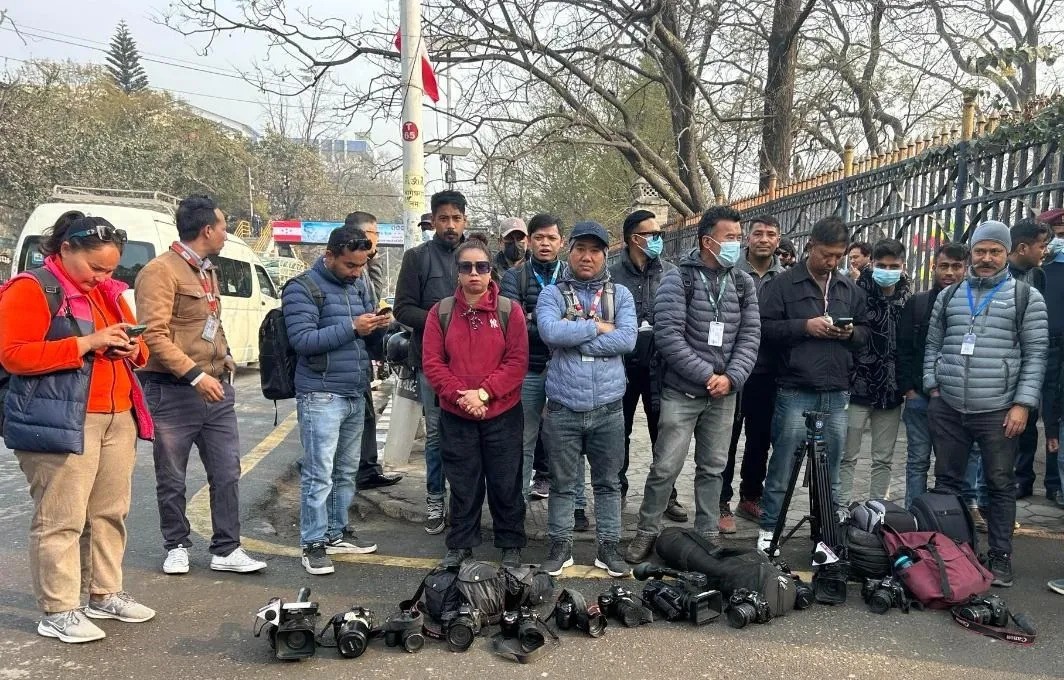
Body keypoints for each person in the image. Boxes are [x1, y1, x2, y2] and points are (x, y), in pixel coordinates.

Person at [0, 213, 155, 643]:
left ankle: (104, 593)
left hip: (117, 414)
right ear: (66, 249)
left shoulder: (107, 293)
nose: (102, 277)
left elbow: (138, 348)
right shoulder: (32, 288)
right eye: (96, 267)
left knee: (109, 512)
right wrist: (88, 343)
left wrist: (130, 345)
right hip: (61, 419)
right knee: (61, 518)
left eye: (110, 269)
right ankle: (58, 609)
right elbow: (13, 354)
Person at [136, 195, 267, 575]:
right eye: (224, 226)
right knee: (172, 475)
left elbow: (209, 321)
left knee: (227, 472)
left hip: (215, 389)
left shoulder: (206, 270)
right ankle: (176, 545)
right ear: (207, 230)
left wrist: (225, 356)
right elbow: (153, 335)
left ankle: (227, 549)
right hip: (172, 389)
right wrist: (195, 375)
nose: (227, 233)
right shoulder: (160, 271)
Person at [626, 207, 761, 562]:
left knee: (713, 468)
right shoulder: (678, 280)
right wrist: (706, 375)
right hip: (682, 392)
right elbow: (669, 337)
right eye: (730, 237)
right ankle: (647, 530)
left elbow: (750, 336)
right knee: (665, 467)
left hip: (724, 394)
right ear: (707, 241)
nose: (737, 244)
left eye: (738, 237)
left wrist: (731, 378)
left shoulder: (743, 283)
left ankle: (707, 533)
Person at [924, 220, 1048, 587]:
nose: (987, 258)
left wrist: (1022, 404)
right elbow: (933, 343)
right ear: (971, 254)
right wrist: (933, 387)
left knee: (999, 483)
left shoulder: (1026, 297)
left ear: (1007, 253)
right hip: (949, 406)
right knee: (947, 482)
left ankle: (1000, 556)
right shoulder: (950, 296)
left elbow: (1036, 354)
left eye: (995, 251)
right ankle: (953, 552)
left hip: (999, 410)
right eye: (980, 251)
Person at [757, 216, 869, 553]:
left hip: (836, 390)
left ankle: (827, 534)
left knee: (831, 469)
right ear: (811, 246)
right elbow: (764, 329)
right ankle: (769, 530)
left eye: (838, 256)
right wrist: (805, 326)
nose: (831, 262)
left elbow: (867, 333)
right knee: (783, 464)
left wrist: (850, 333)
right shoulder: (783, 284)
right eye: (825, 254)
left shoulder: (849, 288)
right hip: (795, 388)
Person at [283, 225, 388, 575]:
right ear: (329, 256)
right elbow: (302, 341)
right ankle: (312, 543)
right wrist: (354, 327)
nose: (356, 272)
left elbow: (366, 338)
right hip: (320, 394)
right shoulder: (302, 288)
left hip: (355, 390)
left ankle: (335, 532)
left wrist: (380, 328)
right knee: (319, 474)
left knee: (345, 472)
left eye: (361, 265)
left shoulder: (359, 285)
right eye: (349, 265)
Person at [422, 235, 529, 568]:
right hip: (457, 415)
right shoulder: (440, 313)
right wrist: (463, 397)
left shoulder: (510, 311)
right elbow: (433, 364)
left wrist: (483, 394)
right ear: (457, 272)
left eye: (481, 267)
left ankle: (510, 543)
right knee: (463, 484)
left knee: (505, 482)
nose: (474, 273)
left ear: (490, 271)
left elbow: (516, 362)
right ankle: (461, 545)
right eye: (466, 267)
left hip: (503, 413)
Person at [537, 221, 637, 578]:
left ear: (605, 255)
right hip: (562, 407)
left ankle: (608, 548)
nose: (587, 257)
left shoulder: (620, 295)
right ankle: (560, 546)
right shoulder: (552, 294)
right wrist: (596, 327)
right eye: (581, 249)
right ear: (570, 251)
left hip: (609, 408)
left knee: (608, 483)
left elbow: (627, 340)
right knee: (563, 484)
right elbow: (550, 331)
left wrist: (574, 338)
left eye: (595, 250)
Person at [499, 214, 588, 520]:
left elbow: (584, 319)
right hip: (529, 370)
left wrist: (535, 317)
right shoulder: (514, 278)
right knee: (523, 440)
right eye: (539, 238)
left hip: (568, 369)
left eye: (551, 238)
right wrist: (559, 325)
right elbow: (512, 325)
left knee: (571, 441)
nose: (545, 244)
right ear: (529, 241)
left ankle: (577, 506)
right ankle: (517, 507)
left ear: (561, 242)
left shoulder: (573, 275)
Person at [394, 191, 468, 534]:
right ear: (433, 221)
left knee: (467, 434)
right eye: (444, 219)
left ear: (465, 220)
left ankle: (463, 503)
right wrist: (443, 322)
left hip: (474, 363)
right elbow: (403, 308)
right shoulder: (417, 258)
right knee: (437, 434)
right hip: (432, 363)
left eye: (456, 218)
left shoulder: (476, 257)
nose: (450, 225)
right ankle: (435, 500)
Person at [608, 210, 686, 523]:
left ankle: (667, 495)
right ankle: (616, 490)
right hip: (622, 366)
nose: (658, 239)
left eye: (659, 234)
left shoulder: (671, 273)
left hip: (661, 367)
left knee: (663, 433)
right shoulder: (612, 275)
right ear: (633, 238)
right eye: (652, 234)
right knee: (619, 431)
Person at [720, 214, 783, 533]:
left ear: (778, 240)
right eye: (758, 233)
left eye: (770, 234)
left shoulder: (784, 278)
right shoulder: (729, 270)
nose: (763, 239)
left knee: (760, 438)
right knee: (725, 439)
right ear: (748, 238)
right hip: (730, 369)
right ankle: (721, 500)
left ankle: (750, 496)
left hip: (767, 371)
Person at [838, 238, 911, 504]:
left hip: (890, 391)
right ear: (872, 264)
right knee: (847, 455)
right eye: (882, 265)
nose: (887, 271)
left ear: (903, 266)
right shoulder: (855, 293)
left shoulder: (907, 298)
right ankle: (840, 508)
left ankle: (879, 508)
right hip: (856, 385)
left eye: (894, 266)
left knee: (883, 458)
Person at [897, 242, 968, 509]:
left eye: (956, 266)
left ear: (965, 269)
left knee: (950, 465)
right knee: (917, 460)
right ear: (933, 267)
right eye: (944, 266)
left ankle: (945, 515)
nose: (949, 272)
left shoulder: (971, 305)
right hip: (920, 397)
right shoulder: (918, 303)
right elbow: (903, 348)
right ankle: (914, 514)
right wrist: (909, 389)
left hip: (955, 399)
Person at [342, 211, 403, 492]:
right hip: (343, 360)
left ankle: (366, 468)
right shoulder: (348, 268)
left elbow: (372, 298)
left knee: (365, 415)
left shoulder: (364, 265)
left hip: (360, 356)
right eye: (374, 234)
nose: (377, 239)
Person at [1005, 218, 1051, 500]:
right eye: (1041, 246)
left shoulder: (1038, 276)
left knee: (1028, 424)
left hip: (1028, 362)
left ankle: (1023, 479)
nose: (1045, 251)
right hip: (1002, 364)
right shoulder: (999, 274)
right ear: (1023, 248)